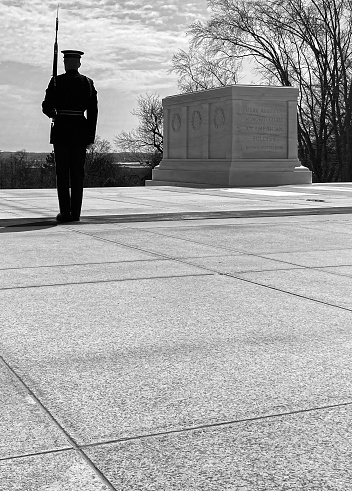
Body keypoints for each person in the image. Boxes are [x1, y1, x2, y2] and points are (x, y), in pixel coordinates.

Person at [42, 50, 98, 222]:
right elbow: (93, 112)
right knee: (77, 174)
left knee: (63, 174)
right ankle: (76, 213)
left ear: (65, 63)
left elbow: (46, 106)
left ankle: (65, 213)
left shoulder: (56, 81)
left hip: (61, 131)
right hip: (80, 131)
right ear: (79, 64)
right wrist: (90, 136)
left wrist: (53, 112)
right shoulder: (88, 83)